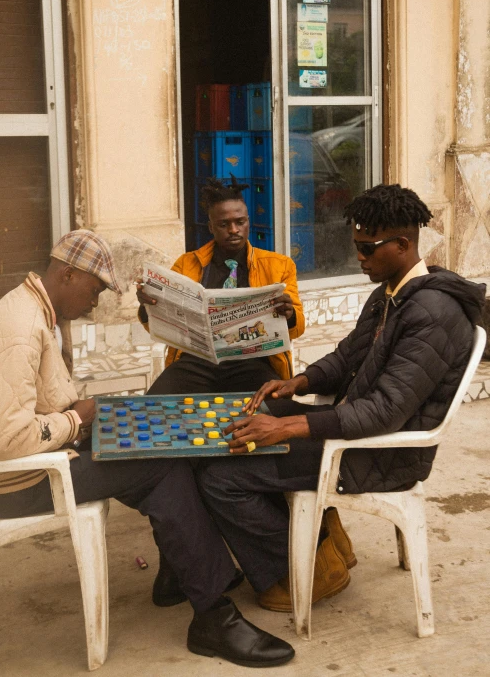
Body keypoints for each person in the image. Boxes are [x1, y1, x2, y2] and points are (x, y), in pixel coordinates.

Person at [0, 229, 295, 668]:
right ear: (68, 275)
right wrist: (77, 420)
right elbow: (5, 441)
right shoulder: (19, 328)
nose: (96, 302)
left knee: (154, 442)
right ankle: (212, 613)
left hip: (33, 461)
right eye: (95, 290)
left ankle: (181, 580)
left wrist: (89, 418)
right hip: (7, 483)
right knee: (161, 468)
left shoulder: (40, 310)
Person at [196, 183, 486, 613]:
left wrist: (288, 426)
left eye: (367, 249)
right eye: (356, 247)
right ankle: (327, 540)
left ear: (403, 245)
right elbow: (346, 356)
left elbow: (386, 410)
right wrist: (299, 382)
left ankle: (309, 572)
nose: (360, 259)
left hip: (378, 455)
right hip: (353, 433)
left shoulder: (432, 313)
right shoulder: (389, 292)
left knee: (221, 478)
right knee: (248, 419)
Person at [136, 175, 305, 395]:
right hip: (195, 363)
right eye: (224, 224)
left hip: (252, 364)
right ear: (211, 227)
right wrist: (148, 306)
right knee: (154, 407)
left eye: (240, 222)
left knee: (278, 409)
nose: (233, 230)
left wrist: (290, 314)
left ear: (248, 222)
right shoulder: (187, 264)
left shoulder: (279, 266)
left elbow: (298, 328)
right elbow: (160, 327)